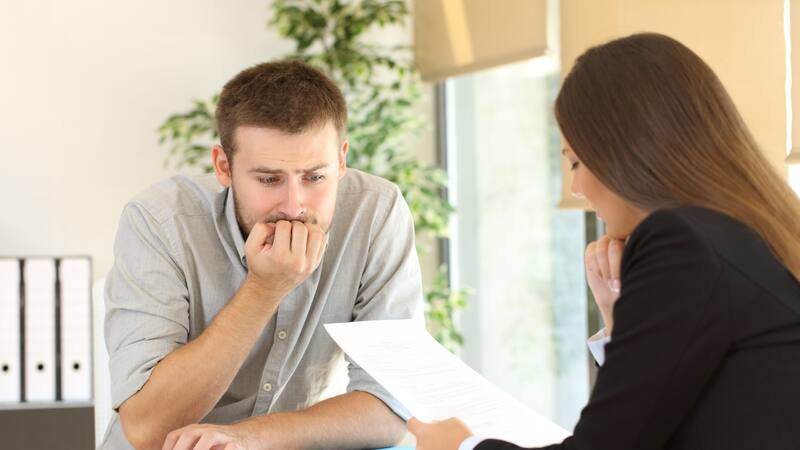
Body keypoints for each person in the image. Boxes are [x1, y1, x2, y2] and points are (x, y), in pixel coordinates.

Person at [409, 32, 800, 450]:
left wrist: (461, 447)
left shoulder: (681, 242)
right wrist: (621, 316)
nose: (575, 188)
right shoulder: (754, 236)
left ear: (630, 151)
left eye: (576, 162)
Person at [100, 60, 423, 450]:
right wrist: (264, 289)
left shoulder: (376, 213)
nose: (294, 205)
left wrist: (250, 437)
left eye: (314, 177)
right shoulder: (159, 222)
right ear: (224, 167)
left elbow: (390, 408)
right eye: (270, 179)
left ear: (341, 160)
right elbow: (146, 428)